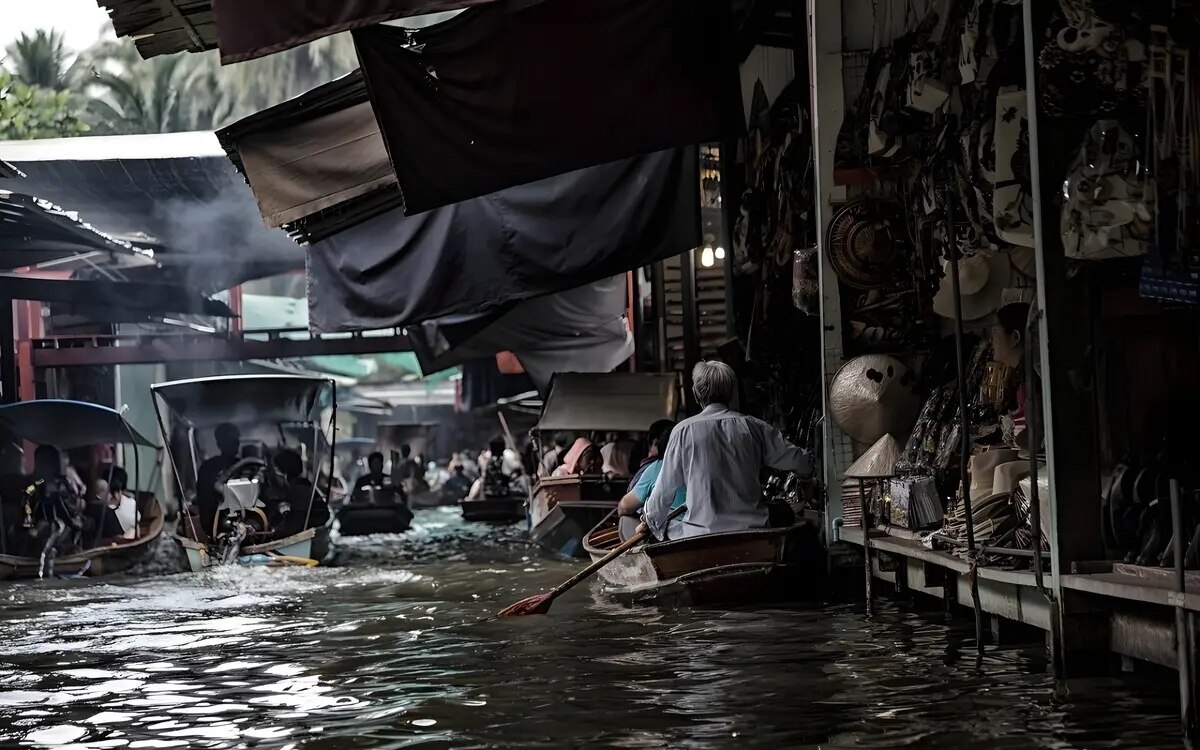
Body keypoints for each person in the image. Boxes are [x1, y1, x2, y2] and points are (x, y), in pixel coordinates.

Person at [643, 361, 813, 541]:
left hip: (699, 536)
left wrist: (650, 521)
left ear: (695, 393)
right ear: (732, 391)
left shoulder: (683, 431)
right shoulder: (752, 426)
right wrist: (806, 481)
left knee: (667, 527)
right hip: (754, 531)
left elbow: (663, 492)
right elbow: (801, 462)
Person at [616, 421, 685, 541]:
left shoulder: (657, 467)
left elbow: (624, 507)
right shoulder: (701, 468)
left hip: (667, 536)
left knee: (626, 520)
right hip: (701, 531)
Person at [195, 423, 241, 536]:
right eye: (229, 440)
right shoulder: (208, 468)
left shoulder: (247, 465)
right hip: (220, 528)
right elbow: (205, 504)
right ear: (219, 443)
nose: (234, 444)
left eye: (235, 440)